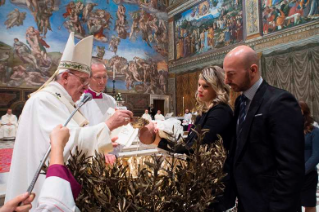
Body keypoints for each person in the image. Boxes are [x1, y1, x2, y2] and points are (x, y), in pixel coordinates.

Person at [5, 32, 133, 210]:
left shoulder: (61, 100)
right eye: (82, 80)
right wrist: (108, 125)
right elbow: (63, 144)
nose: (86, 87)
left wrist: (102, 140)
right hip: (44, 188)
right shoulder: (44, 100)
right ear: (65, 77)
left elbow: (72, 138)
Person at [139, 66, 235, 211]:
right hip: (203, 177)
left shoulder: (220, 112)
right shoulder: (206, 111)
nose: (200, 89)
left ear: (217, 88)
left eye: (206, 86)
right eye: (199, 85)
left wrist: (159, 142)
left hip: (216, 180)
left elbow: (193, 149)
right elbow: (189, 142)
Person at [223, 45, 304, 212]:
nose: (226, 80)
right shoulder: (240, 102)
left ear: (252, 70)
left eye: (231, 74)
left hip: (270, 204)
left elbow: (290, 168)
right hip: (247, 201)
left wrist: (278, 207)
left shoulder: (280, 102)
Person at [80, 57, 121, 164]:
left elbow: (114, 130)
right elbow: (82, 132)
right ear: (88, 78)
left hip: (110, 154)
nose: (102, 82)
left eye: (104, 77)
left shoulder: (110, 100)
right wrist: (100, 149)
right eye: (98, 77)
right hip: (89, 154)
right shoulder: (80, 100)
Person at [299, 101, 319, 212]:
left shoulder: (314, 130)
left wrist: (303, 170)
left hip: (308, 174)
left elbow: (316, 155)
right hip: (292, 174)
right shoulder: (292, 129)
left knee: (309, 204)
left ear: (304, 112)